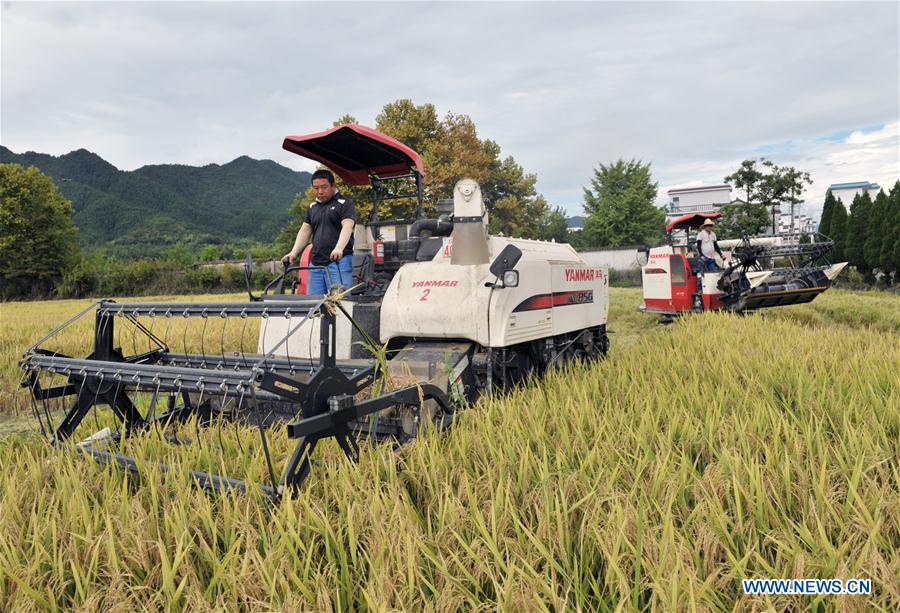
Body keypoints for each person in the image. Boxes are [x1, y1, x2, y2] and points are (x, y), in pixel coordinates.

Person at [282, 169, 356, 294]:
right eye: (316, 188)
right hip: (316, 263)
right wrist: (293, 253)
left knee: (340, 301)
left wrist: (339, 248)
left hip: (338, 261)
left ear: (333, 185)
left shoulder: (345, 203)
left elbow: (347, 226)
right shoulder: (313, 207)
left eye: (324, 187)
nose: (320, 191)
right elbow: (305, 230)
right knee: (314, 302)